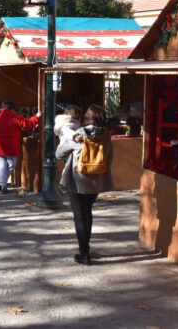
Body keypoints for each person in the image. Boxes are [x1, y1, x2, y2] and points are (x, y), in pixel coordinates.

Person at [56, 104, 113, 266]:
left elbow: (59, 153)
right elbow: (109, 159)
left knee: (79, 216)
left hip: (77, 180)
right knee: (87, 212)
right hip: (96, 182)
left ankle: (84, 252)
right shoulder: (106, 136)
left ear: (86, 118)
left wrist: (70, 159)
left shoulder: (79, 135)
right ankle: (85, 248)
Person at [0, 101, 41, 193]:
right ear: (12, 108)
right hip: (11, 145)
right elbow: (27, 124)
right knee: (11, 166)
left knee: (1, 166)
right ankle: (2, 184)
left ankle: (2, 184)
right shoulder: (15, 117)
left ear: (2, 108)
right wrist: (37, 116)